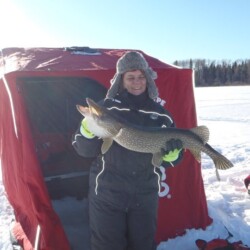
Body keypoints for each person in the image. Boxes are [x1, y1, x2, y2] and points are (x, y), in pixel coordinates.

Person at [72, 51, 183, 250]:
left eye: (141, 77)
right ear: (120, 80)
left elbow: (171, 161)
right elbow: (84, 150)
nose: (137, 82)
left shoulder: (161, 115)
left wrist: (172, 154)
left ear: (148, 79)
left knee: (143, 246)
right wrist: (87, 129)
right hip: (107, 193)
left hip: (144, 194)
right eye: (130, 77)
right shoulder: (107, 109)